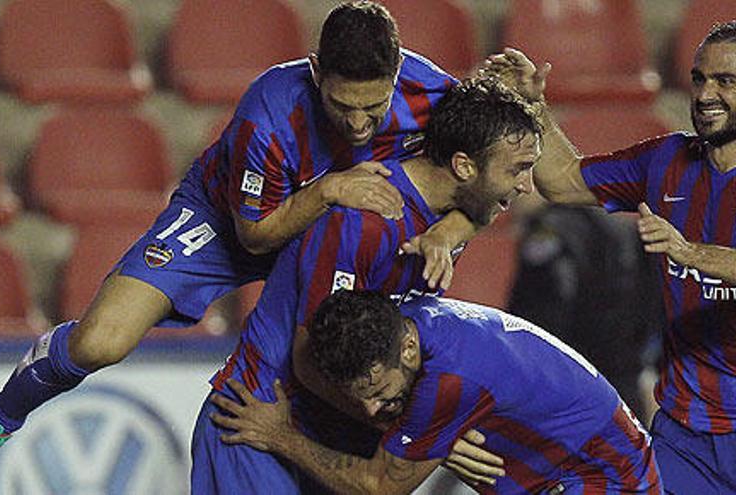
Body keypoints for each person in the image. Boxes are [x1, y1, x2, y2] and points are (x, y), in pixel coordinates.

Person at [0, 1, 473, 460]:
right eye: (342, 105)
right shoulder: (268, 114)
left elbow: (491, 182)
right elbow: (255, 237)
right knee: (99, 342)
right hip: (229, 219)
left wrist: (447, 233)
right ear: (316, 71)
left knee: (357, 359)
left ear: (397, 74)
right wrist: (327, 192)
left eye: (375, 107)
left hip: (335, 235)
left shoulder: (432, 92)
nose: (359, 123)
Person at [486, 20, 736, 494]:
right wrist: (534, 107)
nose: (705, 94)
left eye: (726, 81)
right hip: (686, 432)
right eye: (700, 78)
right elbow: (560, 181)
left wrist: (691, 253)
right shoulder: (666, 161)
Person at [191, 76, 543, 494]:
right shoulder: (366, 222)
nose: (526, 185)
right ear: (464, 166)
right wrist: (426, 432)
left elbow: (479, 212)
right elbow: (309, 360)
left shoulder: (454, 213)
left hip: (341, 433)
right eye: (517, 169)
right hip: (259, 418)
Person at [209, 290, 663, 495]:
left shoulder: (448, 381)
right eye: (359, 396)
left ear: (407, 350)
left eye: (380, 392)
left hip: (604, 482)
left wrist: (280, 435)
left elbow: (380, 487)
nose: (370, 410)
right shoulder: (401, 325)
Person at [508, 205, 662, 419]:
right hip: (623, 387)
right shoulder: (624, 227)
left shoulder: (549, 228)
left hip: (565, 388)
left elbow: (538, 313)